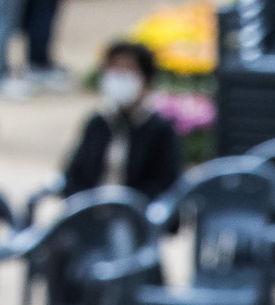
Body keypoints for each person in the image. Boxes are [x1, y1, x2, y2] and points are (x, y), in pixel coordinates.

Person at [60, 42, 184, 200]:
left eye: (126, 71)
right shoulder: (98, 122)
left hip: (137, 216)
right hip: (92, 213)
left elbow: (166, 184)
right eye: (113, 70)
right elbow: (74, 175)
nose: (118, 77)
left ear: (146, 80)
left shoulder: (160, 129)